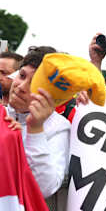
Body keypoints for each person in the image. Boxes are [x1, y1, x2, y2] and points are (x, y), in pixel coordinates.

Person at [6, 46, 71, 198]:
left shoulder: (58, 126)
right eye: (22, 76)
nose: (21, 87)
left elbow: (45, 188)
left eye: (34, 84)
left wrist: (35, 130)